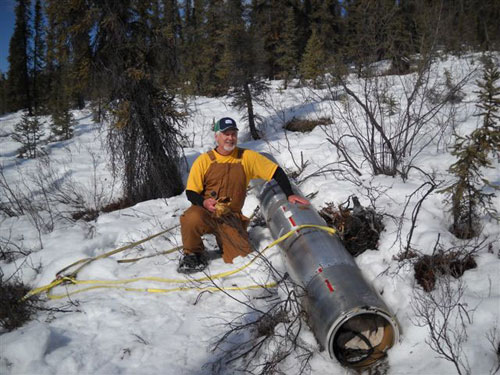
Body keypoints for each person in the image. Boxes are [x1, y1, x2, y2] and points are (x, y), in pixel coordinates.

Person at [178, 117, 310, 274]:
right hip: (206, 212)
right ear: (217, 136)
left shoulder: (247, 157)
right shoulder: (203, 161)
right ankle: (193, 253)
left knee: (241, 255)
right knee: (191, 218)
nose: (230, 138)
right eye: (225, 134)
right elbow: (191, 192)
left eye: (233, 134)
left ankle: (226, 241)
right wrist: (204, 202)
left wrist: (289, 194)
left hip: (231, 217)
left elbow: (276, 171)